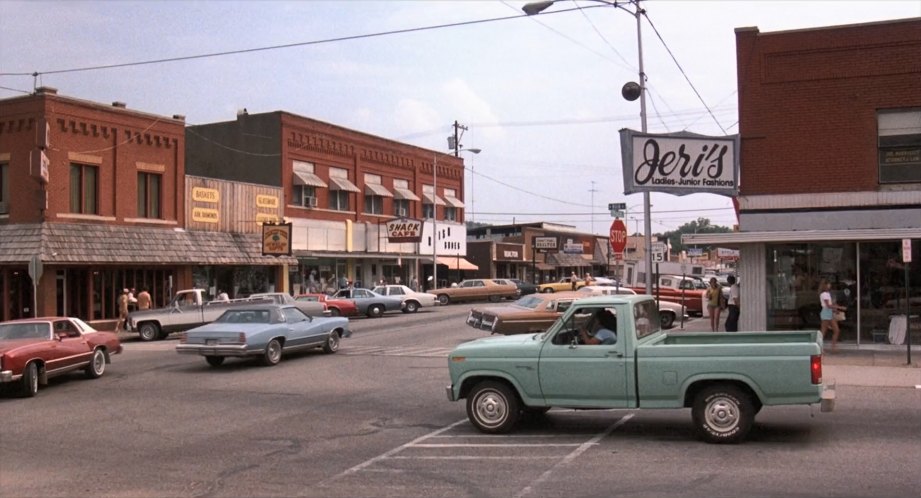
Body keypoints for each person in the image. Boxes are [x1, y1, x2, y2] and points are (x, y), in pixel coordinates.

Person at [819, 279, 846, 353]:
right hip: (826, 312)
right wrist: (839, 307)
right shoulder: (824, 294)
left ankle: (833, 347)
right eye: (828, 284)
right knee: (823, 331)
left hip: (829, 312)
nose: (829, 285)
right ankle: (820, 348)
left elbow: (830, 305)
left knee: (836, 330)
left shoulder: (827, 294)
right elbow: (828, 305)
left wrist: (835, 310)